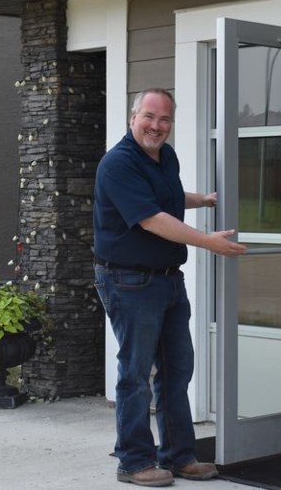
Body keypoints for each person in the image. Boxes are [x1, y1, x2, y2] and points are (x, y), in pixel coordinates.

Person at [93, 88, 247, 487]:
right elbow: (151, 218)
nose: (156, 126)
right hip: (128, 280)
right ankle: (133, 462)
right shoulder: (118, 164)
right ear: (132, 118)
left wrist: (206, 200)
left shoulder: (165, 157)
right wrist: (208, 240)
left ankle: (179, 457)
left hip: (167, 280)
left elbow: (169, 199)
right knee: (136, 373)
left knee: (177, 371)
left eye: (164, 120)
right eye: (149, 117)